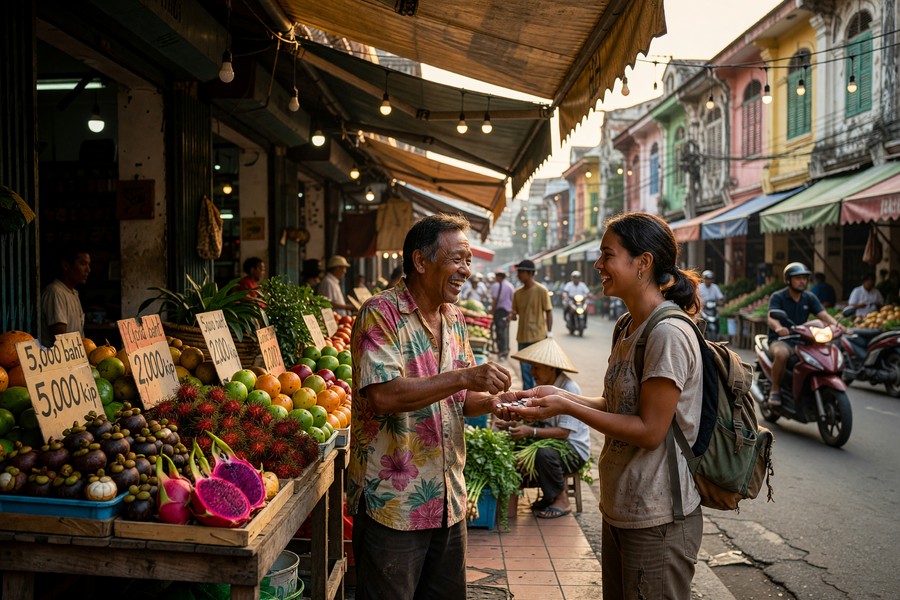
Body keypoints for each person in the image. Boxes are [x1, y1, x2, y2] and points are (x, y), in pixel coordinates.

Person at [502, 211, 705, 599]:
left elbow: (649, 431)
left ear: (642, 263)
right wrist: (559, 397)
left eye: (607, 255)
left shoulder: (668, 333)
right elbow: (616, 405)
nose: (598, 265)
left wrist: (568, 408)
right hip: (622, 506)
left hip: (657, 516)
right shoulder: (626, 326)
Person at [348, 214, 515, 600]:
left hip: (448, 501)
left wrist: (497, 402)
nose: (466, 271)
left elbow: (463, 401)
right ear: (421, 262)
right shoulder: (380, 312)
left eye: (469, 261)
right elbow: (384, 396)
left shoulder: (454, 318)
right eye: (457, 259)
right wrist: (464, 378)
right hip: (393, 504)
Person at [496, 338, 590, 519]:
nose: (532, 372)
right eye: (531, 367)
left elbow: (564, 433)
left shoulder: (569, 388)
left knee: (543, 454)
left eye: (536, 368)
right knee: (518, 449)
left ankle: (562, 500)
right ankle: (550, 496)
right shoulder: (543, 387)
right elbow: (536, 416)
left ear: (551, 368)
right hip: (553, 443)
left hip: (574, 450)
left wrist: (530, 431)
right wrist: (513, 421)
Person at [767, 262, 841, 406]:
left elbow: (824, 315)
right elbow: (771, 317)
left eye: (804, 278)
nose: (802, 281)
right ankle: (775, 389)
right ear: (788, 280)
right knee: (781, 354)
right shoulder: (778, 296)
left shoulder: (809, 297)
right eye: (797, 278)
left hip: (803, 340)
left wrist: (840, 327)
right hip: (781, 339)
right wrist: (778, 328)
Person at [510, 259, 553, 389]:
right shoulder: (517, 293)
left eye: (521, 272)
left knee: (539, 371)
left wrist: (549, 333)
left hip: (538, 337)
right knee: (525, 372)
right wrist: (510, 316)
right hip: (522, 337)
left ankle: (538, 396)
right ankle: (527, 398)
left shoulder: (542, 290)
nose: (518, 275)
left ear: (530, 273)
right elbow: (514, 314)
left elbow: (548, 312)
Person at [41, 250, 91, 346]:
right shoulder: (55, 292)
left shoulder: (74, 293)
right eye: (83, 263)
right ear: (66, 265)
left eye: (88, 264)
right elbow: (61, 339)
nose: (88, 270)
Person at [490, 270, 515, 359]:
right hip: (507, 312)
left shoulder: (496, 286)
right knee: (505, 331)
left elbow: (494, 300)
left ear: (499, 277)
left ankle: (501, 350)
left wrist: (491, 311)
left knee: (499, 331)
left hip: (499, 311)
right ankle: (506, 349)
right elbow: (513, 300)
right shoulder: (510, 286)